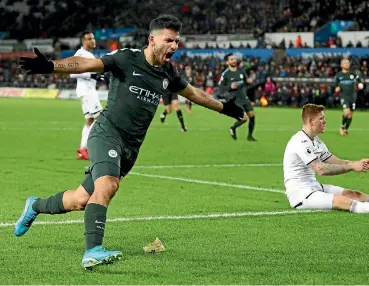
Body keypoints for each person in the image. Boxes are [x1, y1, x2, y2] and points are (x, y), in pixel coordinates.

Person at [15, 14, 244, 270]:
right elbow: (85, 65)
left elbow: (194, 94)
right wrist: (52, 66)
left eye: (177, 41)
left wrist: (224, 108)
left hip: (130, 149)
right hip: (106, 134)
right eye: (169, 40)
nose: (174, 46)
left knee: (80, 200)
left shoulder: (168, 73)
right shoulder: (126, 58)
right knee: (108, 185)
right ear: (152, 39)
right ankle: (93, 251)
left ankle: (34, 205)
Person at [283, 104, 369, 215]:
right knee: (343, 201)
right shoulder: (300, 141)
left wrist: (356, 164)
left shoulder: (317, 142)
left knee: (354, 194)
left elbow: (335, 161)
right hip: (301, 195)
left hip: (315, 187)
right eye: (321, 118)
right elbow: (320, 169)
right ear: (310, 121)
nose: (325, 121)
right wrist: (350, 167)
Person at [70, 31, 105, 160]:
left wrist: (98, 76)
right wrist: (91, 75)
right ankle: (91, 148)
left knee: (90, 120)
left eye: (93, 38)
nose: (93, 41)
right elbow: (72, 73)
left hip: (88, 90)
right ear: (83, 41)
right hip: (86, 91)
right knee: (101, 118)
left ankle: (82, 150)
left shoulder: (89, 55)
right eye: (90, 39)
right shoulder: (80, 54)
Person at [218, 53, 256, 141]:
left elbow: (245, 82)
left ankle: (250, 136)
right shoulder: (225, 74)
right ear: (227, 62)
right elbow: (221, 87)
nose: (234, 60)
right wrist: (230, 87)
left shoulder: (241, 71)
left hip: (244, 97)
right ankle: (233, 128)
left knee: (252, 116)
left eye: (234, 59)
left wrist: (248, 81)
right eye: (231, 59)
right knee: (244, 118)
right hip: (235, 99)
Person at [334, 59, 359, 136]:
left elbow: (359, 82)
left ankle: (346, 129)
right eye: (345, 63)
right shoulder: (338, 75)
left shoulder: (353, 74)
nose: (347, 64)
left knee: (350, 114)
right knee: (346, 112)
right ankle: (342, 126)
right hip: (344, 96)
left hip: (353, 96)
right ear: (341, 65)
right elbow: (335, 87)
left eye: (348, 63)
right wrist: (337, 89)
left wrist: (359, 85)